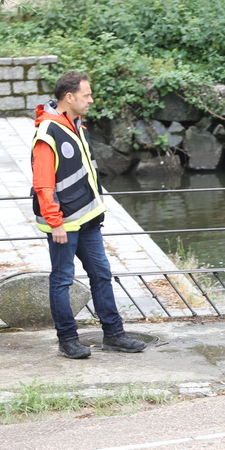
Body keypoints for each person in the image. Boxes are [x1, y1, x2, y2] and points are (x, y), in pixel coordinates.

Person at [31, 71, 145, 359]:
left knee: (101, 275)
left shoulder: (75, 125)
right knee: (62, 280)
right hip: (64, 224)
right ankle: (67, 340)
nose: (91, 100)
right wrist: (55, 223)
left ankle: (114, 335)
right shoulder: (48, 132)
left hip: (88, 219)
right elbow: (43, 184)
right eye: (86, 95)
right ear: (69, 97)